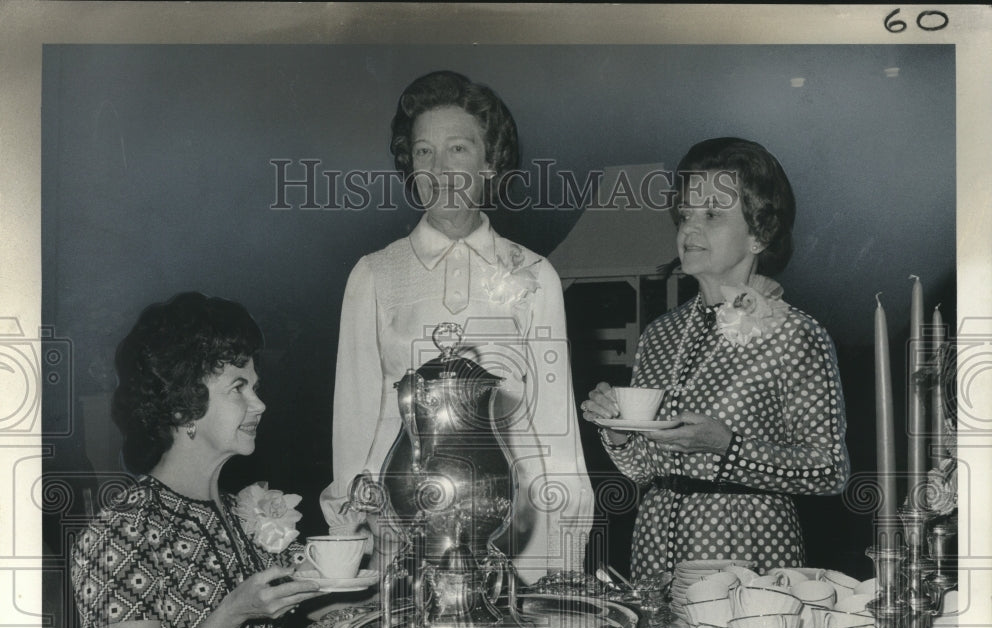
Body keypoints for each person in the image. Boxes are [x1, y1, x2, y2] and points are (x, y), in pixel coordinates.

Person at [320, 69, 593, 583]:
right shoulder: (374, 273)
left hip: (515, 516)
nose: (440, 169)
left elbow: (555, 425)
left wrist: (565, 545)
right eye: (424, 152)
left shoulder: (535, 274)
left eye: (459, 150)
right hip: (401, 516)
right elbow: (354, 418)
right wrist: (351, 531)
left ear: (490, 162)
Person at [71, 292, 322, 628]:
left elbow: (322, 613)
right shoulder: (124, 530)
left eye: (256, 386)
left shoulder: (242, 513)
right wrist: (233, 611)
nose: (260, 403)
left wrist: (346, 555)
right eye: (239, 387)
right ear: (185, 406)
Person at [580, 137, 849, 578]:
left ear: (760, 234)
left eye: (712, 215)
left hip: (748, 552)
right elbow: (646, 470)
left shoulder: (795, 333)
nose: (689, 229)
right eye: (685, 214)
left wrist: (729, 448)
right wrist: (618, 433)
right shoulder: (659, 334)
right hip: (654, 548)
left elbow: (828, 470)